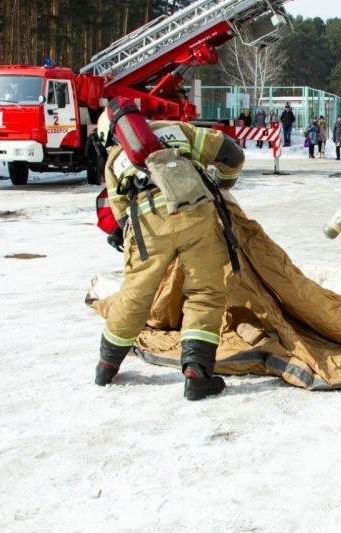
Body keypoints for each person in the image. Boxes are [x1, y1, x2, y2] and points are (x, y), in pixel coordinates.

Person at [93, 106, 245, 400]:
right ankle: (196, 373)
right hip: (197, 216)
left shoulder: (113, 160)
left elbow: (121, 214)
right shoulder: (174, 129)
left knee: (136, 294)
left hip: (148, 227)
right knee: (204, 292)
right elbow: (232, 154)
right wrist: (226, 183)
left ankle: (106, 365)